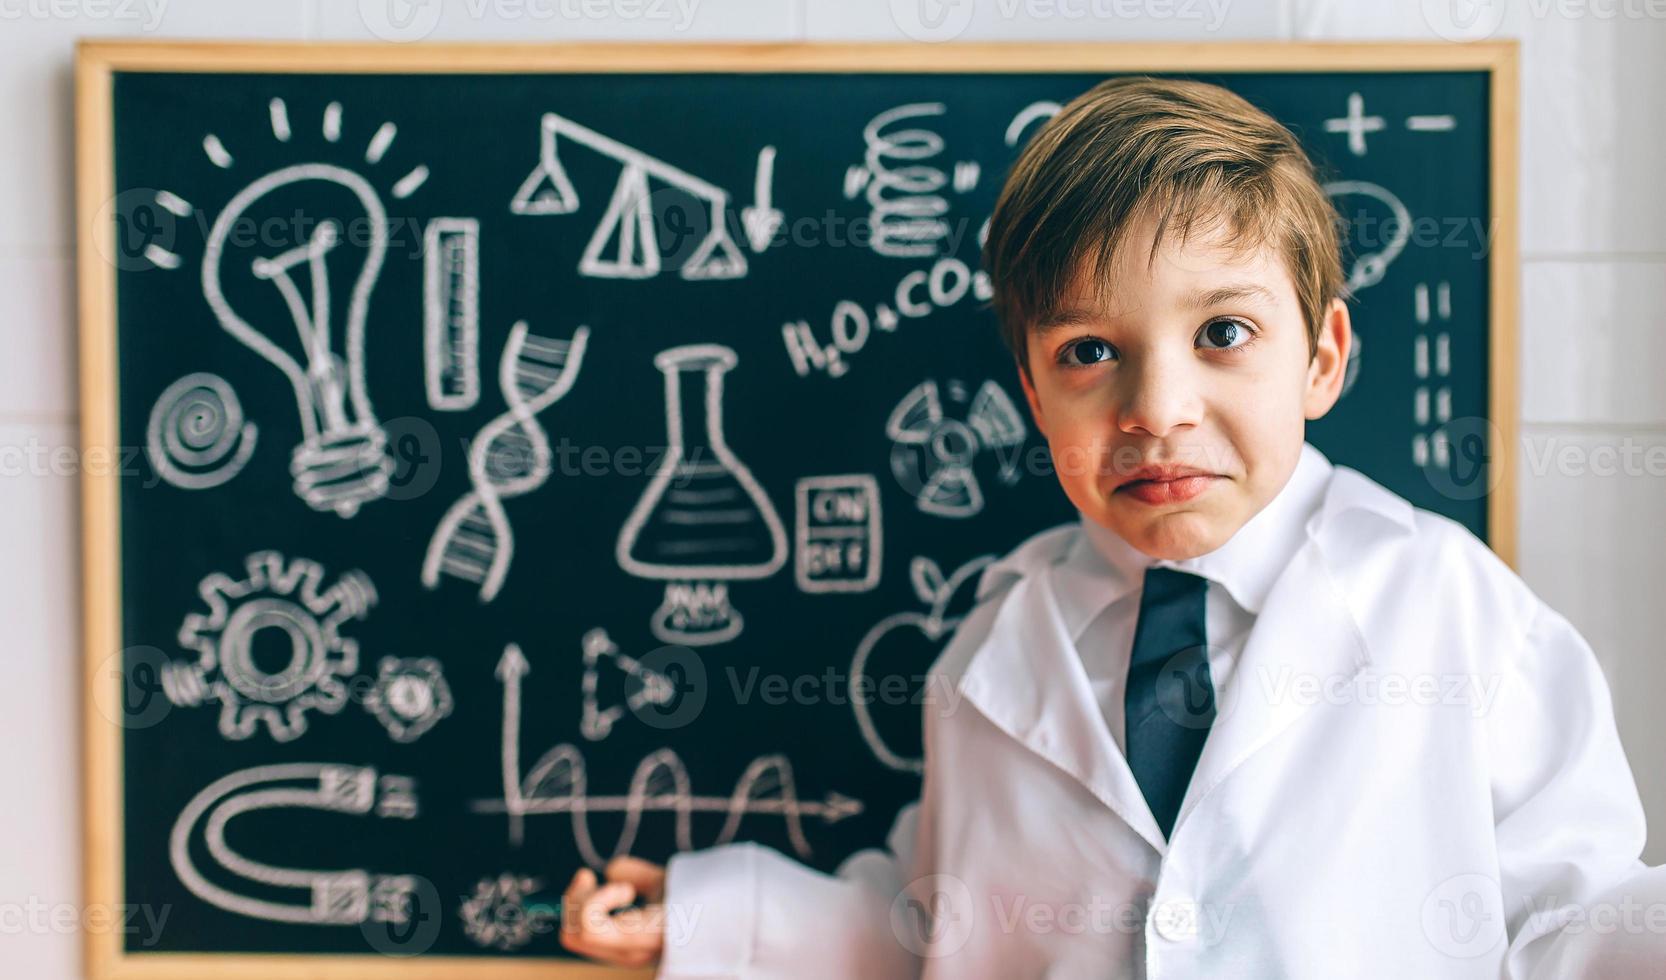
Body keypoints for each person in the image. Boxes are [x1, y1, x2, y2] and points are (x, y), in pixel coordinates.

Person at [559, 76, 1666, 978]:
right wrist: (715, 917)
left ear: (1322, 357)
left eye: (1222, 330)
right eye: (1089, 352)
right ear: (1035, 398)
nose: (1155, 409)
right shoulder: (997, 645)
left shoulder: (1452, 608)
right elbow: (931, 923)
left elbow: (1577, 913)